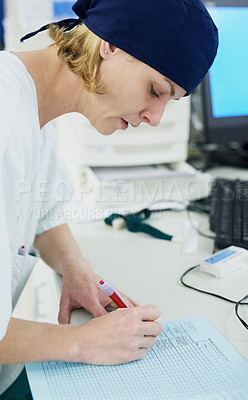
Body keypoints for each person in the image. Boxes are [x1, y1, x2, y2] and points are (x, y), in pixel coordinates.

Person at [0, 0, 218, 398]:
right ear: (111, 45)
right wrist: (85, 342)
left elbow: (42, 213)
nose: (154, 117)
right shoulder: (4, 126)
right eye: (155, 91)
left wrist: (74, 267)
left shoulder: (33, 104)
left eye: (169, 101)